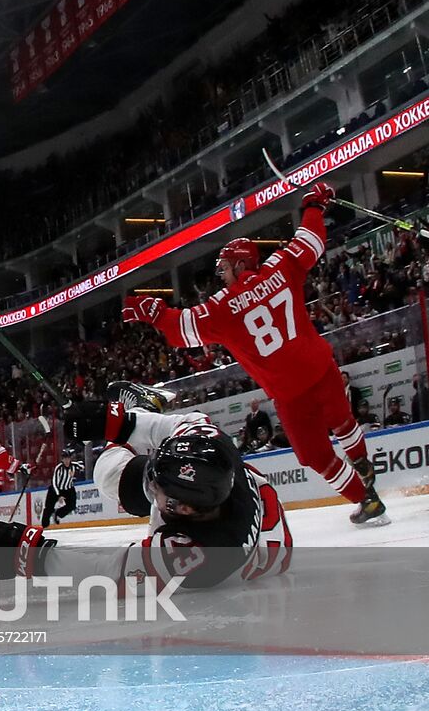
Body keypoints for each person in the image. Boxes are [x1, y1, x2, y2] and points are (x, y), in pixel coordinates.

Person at [122, 182, 388, 527]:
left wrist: (152, 312)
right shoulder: (281, 266)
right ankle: (362, 462)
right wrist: (313, 205)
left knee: (315, 456)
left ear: (237, 263)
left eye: (224, 269)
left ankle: (367, 500)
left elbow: (182, 330)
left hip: (290, 395)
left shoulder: (223, 307)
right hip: (320, 367)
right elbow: (311, 241)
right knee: (343, 422)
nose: (222, 276)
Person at [0, 388, 292, 589]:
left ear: (180, 509)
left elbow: (113, 570)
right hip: (241, 521)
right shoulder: (214, 448)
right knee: (115, 474)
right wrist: (115, 421)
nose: (149, 487)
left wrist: (31, 555)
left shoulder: (201, 555)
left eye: (156, 489)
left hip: (234, 550)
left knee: (107, 472)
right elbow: (188, 422)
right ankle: (142, 406)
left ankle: (143, 408)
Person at [41, 444, 83, 527]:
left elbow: (81, 467)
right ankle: (44, 525)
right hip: (55, 489)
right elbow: (54, 482)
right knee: (49, 508)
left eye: (68, 458)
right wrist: (59, 495)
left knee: (72, 505)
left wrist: (81, 467)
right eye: (65, 459)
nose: (67, 460)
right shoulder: (59, 468)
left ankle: (58, 514)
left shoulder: (74, 465)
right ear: (62, 459)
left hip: (68, 489)